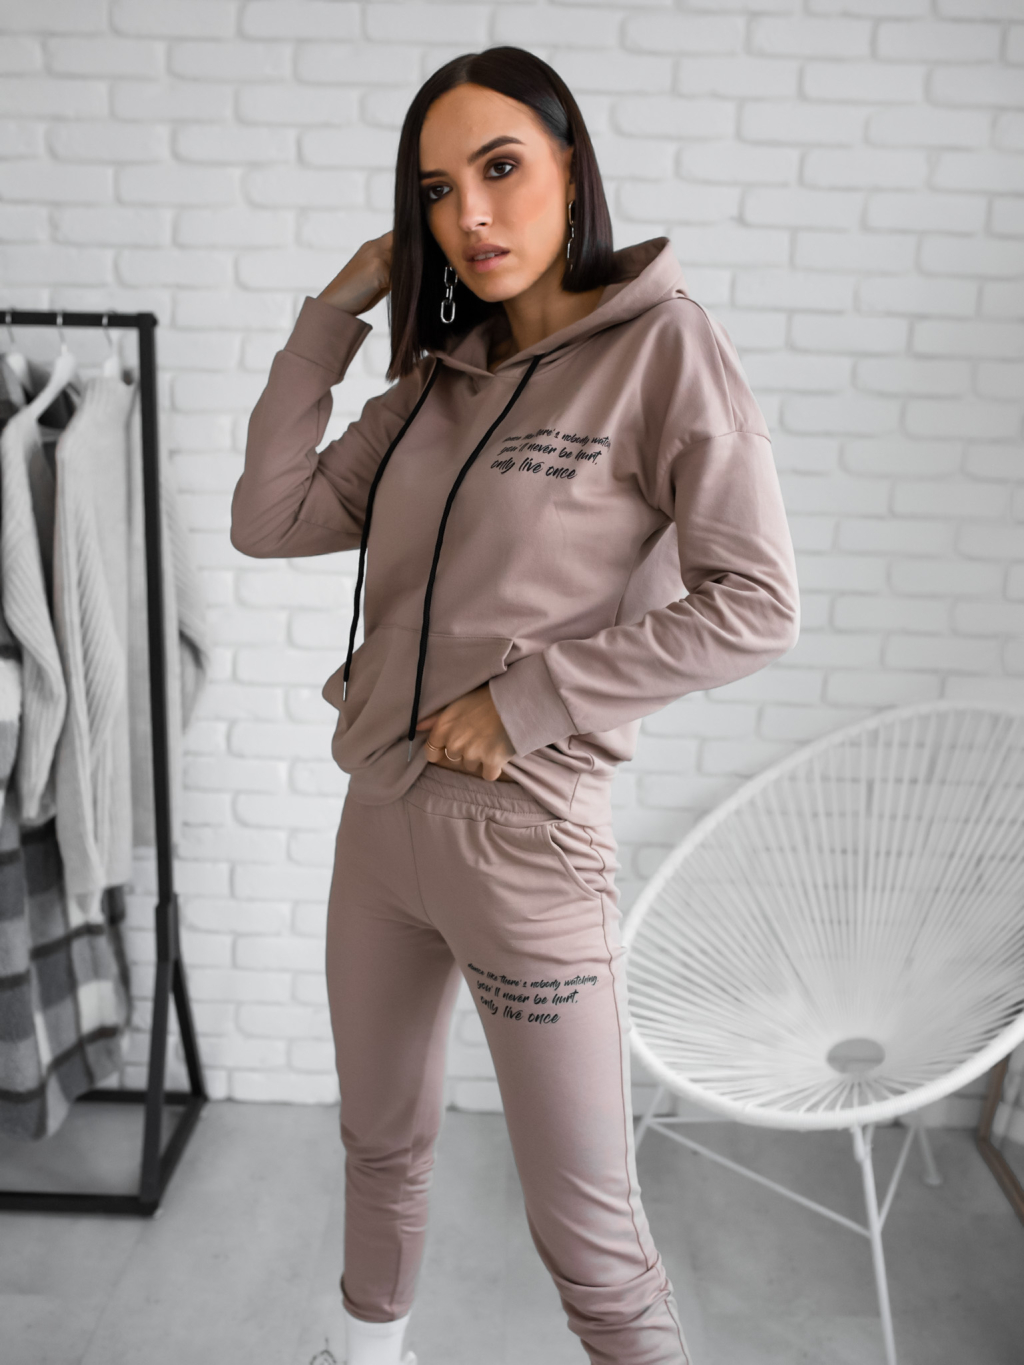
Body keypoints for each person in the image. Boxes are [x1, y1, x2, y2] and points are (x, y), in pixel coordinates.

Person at [231, 45, 799, 1365]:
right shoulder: (443, 375)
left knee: (586, 1230)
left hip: (525, 840)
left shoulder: (666, 349)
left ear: (572, 169)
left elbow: (756, 603)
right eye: (438, 191)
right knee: (378, 1144)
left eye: (501, 169)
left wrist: (531, 698)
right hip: (381, 824)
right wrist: (338, 311)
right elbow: (271, 518)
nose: (470, 216)